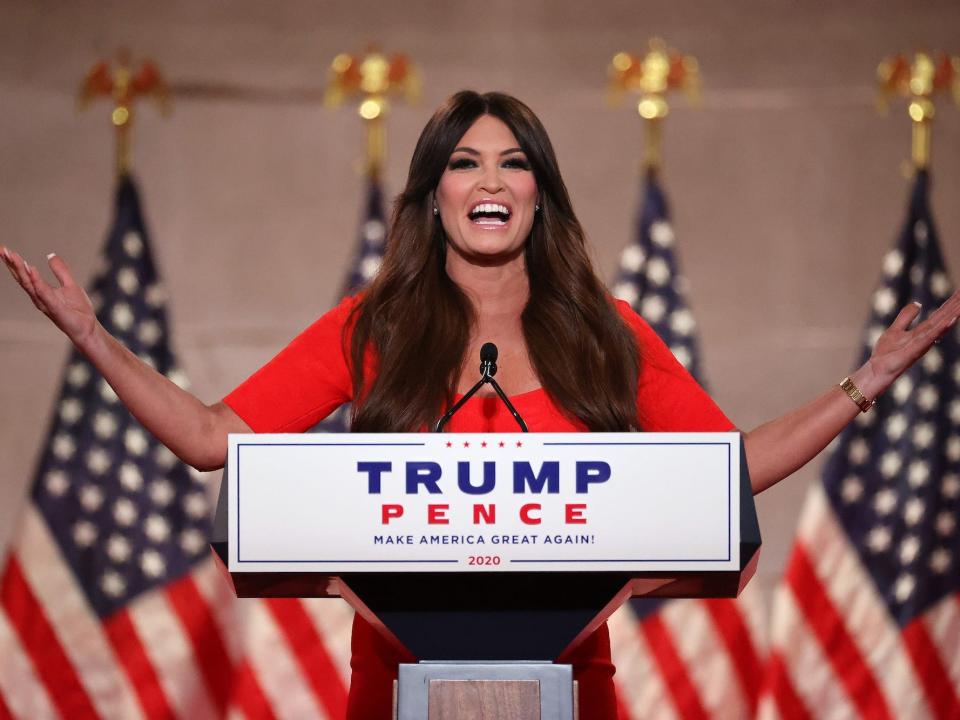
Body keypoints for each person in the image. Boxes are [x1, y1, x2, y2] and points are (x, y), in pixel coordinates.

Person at [3, 90, 958, 719]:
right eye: (464, 163)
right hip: (394, 689)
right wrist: (94, 340)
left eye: (513, 163)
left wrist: (858, 388)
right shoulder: (370, 326)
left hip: (570, 686)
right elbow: (213, 440)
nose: (490, 180)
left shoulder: (604, 331)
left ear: (541, 195)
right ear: (434, 197)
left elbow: (724, 470)